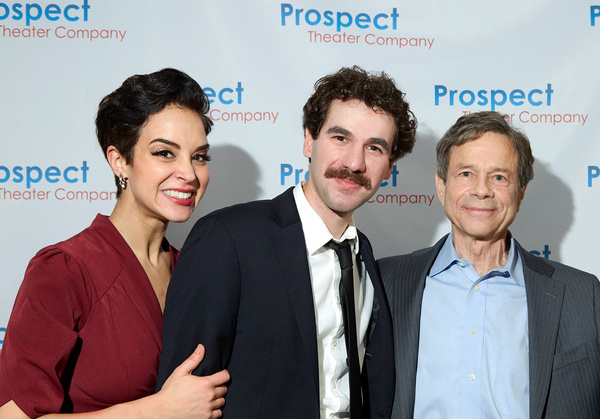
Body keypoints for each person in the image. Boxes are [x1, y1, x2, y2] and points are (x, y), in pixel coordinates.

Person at [156, 66, 417, 418]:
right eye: (340, 138)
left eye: (374, 147)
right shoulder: (228, 238)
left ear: (389, 168)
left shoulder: (363, 254)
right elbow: (183, 399)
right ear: (309, 140)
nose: (354, 163)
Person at [0, 68, 230, 418]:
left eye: (199, 156)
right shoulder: (64, 270)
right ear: (119, 160)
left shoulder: (194, 271)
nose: (189, 173)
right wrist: (159, 410)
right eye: (165, 153)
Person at [379, 111, 600, 418]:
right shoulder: (385, 282)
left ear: (520, 192)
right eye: (466, 174)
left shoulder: (582, 295)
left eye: (499, 177)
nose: (481, 190)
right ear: (441, 186)